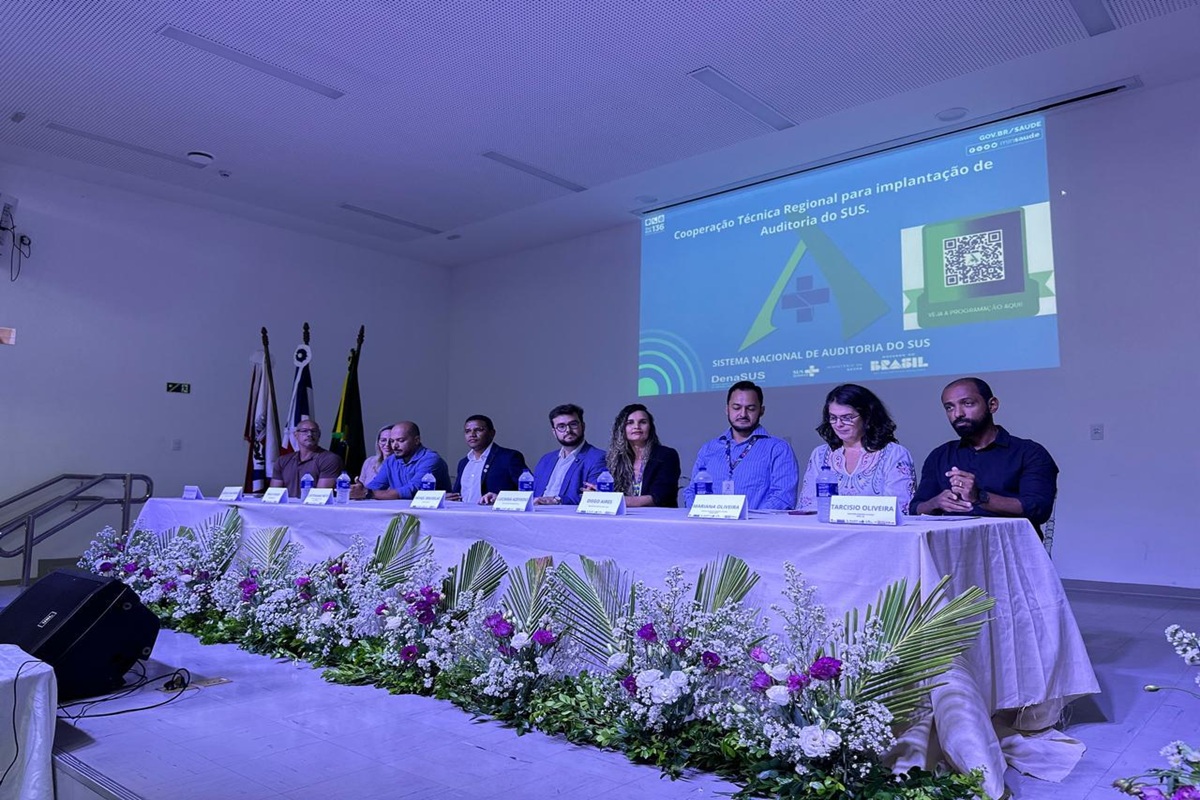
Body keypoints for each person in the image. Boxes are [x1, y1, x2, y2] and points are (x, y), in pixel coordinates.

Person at [910, 377, 1058, 532]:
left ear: (992, 405)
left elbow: (1038, 509)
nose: (957, 414)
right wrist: (936, 503)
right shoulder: (940, 455)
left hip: (1009, 544)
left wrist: (980, 497)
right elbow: (915, 509)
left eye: (967, 403)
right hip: (952, 544)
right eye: (949, 407)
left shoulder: (1029, 453)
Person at [797, 384, 915, 512]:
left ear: (867, 417)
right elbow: (807, 506)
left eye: (847, 418)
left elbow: (899, 508)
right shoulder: (820, 455)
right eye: (833, 418)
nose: (839, 424)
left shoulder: (894, 454)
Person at [682, 381, 799, 510]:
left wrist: (745, 517)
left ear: (761, 411)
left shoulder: (778, 449)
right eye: (736, 408)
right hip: (710, 522)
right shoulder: (709, 449)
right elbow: (692, 491)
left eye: (751, 408)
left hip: (757, 523)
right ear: (727, 409)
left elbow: (783, 498)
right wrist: (702, 513)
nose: (743, 414)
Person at [586, 404, 681, 507]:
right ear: (621, 429)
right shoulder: (615, 459)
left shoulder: (667, 455)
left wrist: (611, 499)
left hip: (657, 515)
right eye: (630, 422)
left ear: (650, 427)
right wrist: (598, 494)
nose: (636, 427)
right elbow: (612, 492)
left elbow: (659, 497)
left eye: (643, 422)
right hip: (625, 515)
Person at [350, 421, 451, 500]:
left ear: (416, 440)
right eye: (392, 441)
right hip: (402, 512)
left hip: (433, 514)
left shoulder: (430, 459)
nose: (394, 446)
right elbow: (376, 485)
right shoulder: (391, 460)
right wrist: (357, 490)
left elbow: (412, 490)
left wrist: (368, 493)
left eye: (400, 440)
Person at [531, 404, 606, 505]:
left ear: (583, 426)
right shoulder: (546, 460)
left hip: (568, 514)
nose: (568, 430)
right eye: (561, 426)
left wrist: (556, 500)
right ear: (554, 432)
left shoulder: (598, 458)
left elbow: (594, 498)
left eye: (573, 424)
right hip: (536, 512)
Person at [447, 414, 529, 505]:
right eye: (467, 431)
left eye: (479, 430)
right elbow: (456, 495)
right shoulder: (464, 462)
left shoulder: (509, 457)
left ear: (492, 433)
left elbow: (529, 491)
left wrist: (500, 498)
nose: (472, 434)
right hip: (462, 512)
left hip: (494, 512)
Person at [270, 420, 343, 498]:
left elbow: (320, 496)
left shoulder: (329, 459)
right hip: (287, 505)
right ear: (296, 435)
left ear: (319, 435)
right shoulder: (282, 461)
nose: (309, 434)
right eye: (304, 431)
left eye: (314, 431)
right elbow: (274, 494)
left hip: (313, 505)